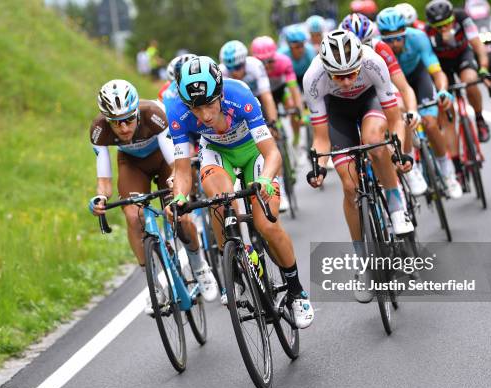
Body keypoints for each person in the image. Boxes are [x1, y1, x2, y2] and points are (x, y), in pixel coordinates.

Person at [164, 56, 314, 328]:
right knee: (219, 202)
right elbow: (183, 171)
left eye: (210, 104)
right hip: (216, 154)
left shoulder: (240, 94)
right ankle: (231, 266)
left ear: (220, 93)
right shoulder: (175, 110)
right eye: (196, 109)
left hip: (253, 153)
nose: (205, 116)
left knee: (266, 224)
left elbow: (271, 153)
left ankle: (296, 290)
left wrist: (266, 180)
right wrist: (178, 198)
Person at [88, 79, 218, 315]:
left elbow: (175, 163)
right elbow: (104, 182)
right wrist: (100, 199)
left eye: (128, 119)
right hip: (132, 165)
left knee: (181, 216)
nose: (124, 128)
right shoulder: (98, 130)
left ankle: (199, 265)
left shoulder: (154, 114)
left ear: (137, 111)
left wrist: (175, 185)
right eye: (116, 123)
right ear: (107, 121)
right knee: (132, 216)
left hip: (164, 161)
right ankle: (153, 285)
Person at [303, 30, 415, 301]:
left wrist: (399, 151)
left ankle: (395, 204)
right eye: (339, 76)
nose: (347, 81)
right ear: (326, 69)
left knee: (374, 141)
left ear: (360, 62)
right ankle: (363, 262)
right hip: (336, 113)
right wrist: (318, 166)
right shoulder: (313, 78)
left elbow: (395, 118)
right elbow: (320, 138)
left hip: (369, 103)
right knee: (350, 186)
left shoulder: (374, 62)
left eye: (352, 73)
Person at [376, 7, 463, 199]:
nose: (395, 43)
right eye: (389, 40)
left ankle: (448, 173)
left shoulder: (418, 38)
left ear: (406, 32)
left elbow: (436, 71)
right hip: (394, 84)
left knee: (431, 124)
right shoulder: (377, 47)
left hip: (418, 77)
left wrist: (442, 90)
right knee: (400, 117)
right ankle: (412, 165)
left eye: (399, 37)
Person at [340, 12, 427, 196]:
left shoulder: (380, 47)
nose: (360, 50)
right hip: (354, 98)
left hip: (380, 88)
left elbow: (403, 86)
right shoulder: (338, 56)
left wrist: (412, 111)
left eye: (365, 43)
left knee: (400, 108)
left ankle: (408, 161)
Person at [218, 40, 291, 213]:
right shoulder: (221, 72)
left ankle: (279, 187)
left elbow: (267, 96)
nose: (236, 71)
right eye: (232, 68)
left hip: (256, 101)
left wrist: (272, 123)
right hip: (236, 106)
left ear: (245, 61)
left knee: (270, 142)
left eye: (239, 66)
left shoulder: (255, 66)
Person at [425, 0, 491, 143]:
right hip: (442, 65)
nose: (444, 28)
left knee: (470, 81)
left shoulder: (462, 17)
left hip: (463, 56)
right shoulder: (426, 31)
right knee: (445, 104)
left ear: (453, 18)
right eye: (439, 27)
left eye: (447, 23)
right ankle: (456, 158)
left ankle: (480, 119)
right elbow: (428, 62)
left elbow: (478, 46)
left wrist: (484, 68)